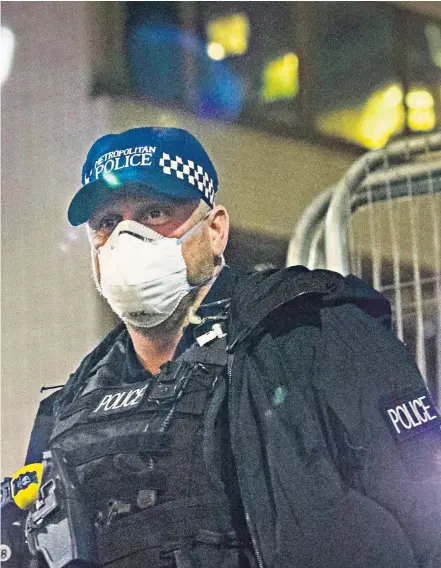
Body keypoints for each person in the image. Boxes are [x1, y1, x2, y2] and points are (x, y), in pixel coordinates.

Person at [12, 128, 441, 567]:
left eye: (155, 212)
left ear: (215, 230)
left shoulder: (312, 334)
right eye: (106, 223)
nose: (126, 237)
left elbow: (429, 520)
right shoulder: (70, 409)